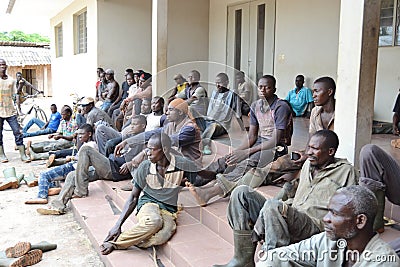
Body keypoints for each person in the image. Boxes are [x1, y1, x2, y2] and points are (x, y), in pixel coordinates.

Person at [213, 130, 358, 267]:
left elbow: (351, 210)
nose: (309, 152)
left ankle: (272, 261)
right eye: (309, 147)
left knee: (274, 207)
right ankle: (242, 260)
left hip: (314, 226)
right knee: (241, 193)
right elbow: (295, 193)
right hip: (292, 214)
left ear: (330, 151)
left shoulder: (346, 171)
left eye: (315, 149)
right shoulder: (308, 164)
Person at [187, 75, 292, 206]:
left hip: (275, 148)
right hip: (259, 143)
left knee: (245, 164)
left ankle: (210, 193)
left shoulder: (280, 107)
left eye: (267, 87)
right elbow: (252, 137)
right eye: (260, 87)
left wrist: (246, 153)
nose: (263, 90)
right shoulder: (256, 106)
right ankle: (194, 179)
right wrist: (237, 152)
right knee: (227, 159)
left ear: (274, 89)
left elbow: (275, 140)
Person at [99, 133, 200, 255]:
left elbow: (201, 175)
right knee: (155, 221)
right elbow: (133, 197)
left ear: (165, 150)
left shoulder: (181, 163)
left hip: (169, 210)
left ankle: (135, 239)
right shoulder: (146, 166)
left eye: (152, 149)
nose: (148, 152)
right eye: (148, 149)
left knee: (163, 235)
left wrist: (220, 168)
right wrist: (118, 225)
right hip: (148, 203)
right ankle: (116, 243)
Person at [257, 185, 399, 266]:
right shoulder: (326, 241)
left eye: (334, 214)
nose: (325, 219)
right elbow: (276, 256)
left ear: (360, 221)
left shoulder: (384, 262)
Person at [25, 124, 96, 205]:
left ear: (89, 134)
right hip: (73, 166)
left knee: (43, 175)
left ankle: (42, 196)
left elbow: (84, 160)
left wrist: (72, 158)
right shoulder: (86, 144)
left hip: (73, 167)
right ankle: (56, 189)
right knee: (52, 178)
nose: (79, 136)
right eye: (78, 134)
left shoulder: (90, 146)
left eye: (82, 134)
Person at [200, 72, 240, 155]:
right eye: (216, 83)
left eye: (220, 83)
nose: (217, 85)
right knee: (192, 112)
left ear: (226, 82)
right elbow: (210, 109)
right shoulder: (214, 92)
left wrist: (242, 129)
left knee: (213, 126)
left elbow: (238, 112)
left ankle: (204, 144)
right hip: (208, 120)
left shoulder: (232, 94)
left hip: (221, 124)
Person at [0, 58, 30, 163]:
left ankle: (23, 154)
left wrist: (21, 86)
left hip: (10, 110)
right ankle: (2, 155)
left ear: (6, 66)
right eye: (0, 65)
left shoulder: (11, 80)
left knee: (17, 131)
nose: (2, 67)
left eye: (4, 65)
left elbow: (15, 94)